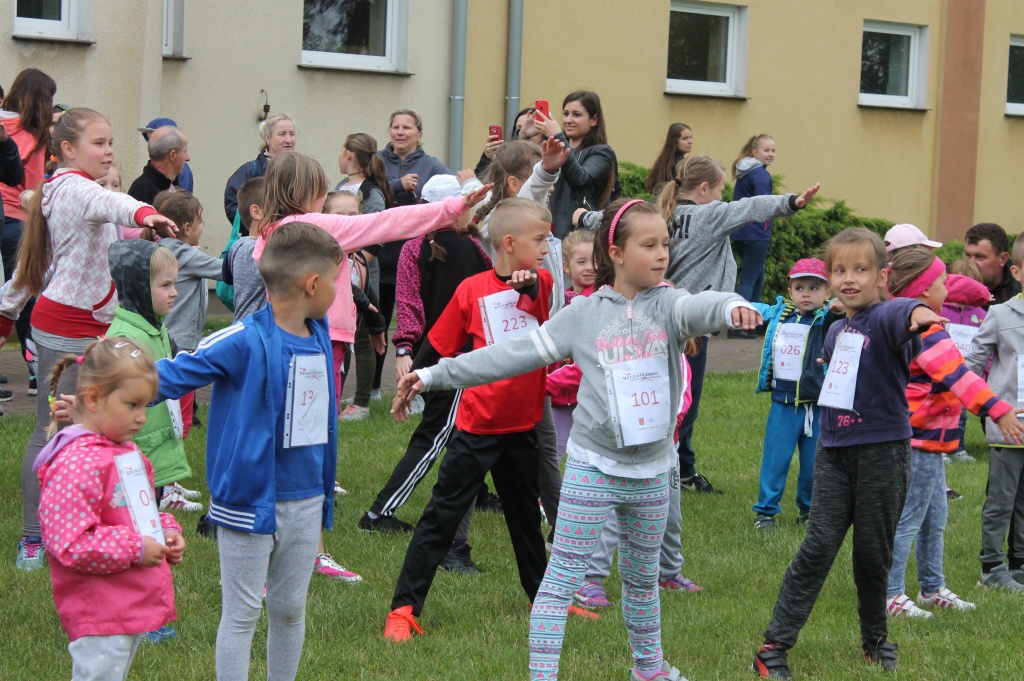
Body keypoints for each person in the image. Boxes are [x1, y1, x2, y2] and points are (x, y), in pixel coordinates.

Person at [391, 198, 758, 680]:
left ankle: (648, 670)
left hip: (652, 473)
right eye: (649, 245)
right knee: (560, 580)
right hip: (593, 470)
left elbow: (700, 306)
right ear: (617, 253)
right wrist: (434, 374)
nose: (662, 254)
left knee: (643, 583)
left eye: (665, 244)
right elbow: (511, 355)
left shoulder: (669, 306)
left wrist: (733, 305)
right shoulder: (584, 315)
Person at [752, 228, 946, 679]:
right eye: (839, 270)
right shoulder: (837, 326)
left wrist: (923, 315)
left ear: (883, 274)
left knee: (871, 553)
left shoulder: (888, 315)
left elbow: (908, 310)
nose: (849, 279)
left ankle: (875, 640)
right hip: (834, 452)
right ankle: (773, 645)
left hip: (882, 454)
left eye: (861, 269)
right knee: (817, 546)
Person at [153, 222, 340, 680]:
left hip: (307, 497)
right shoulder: (241, 338)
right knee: (241, 614)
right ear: (312, 284)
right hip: (247, 500)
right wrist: (103, 384)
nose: (339, 289)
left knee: (291, 608)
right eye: (336, 279)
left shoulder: (319, 334)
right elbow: (174, 373)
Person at [0, 108, 175, 572]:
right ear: (68, 150)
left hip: (91, 325)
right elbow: (113, 205)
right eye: (99, 143)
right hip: (66, 330)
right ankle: (35, 539)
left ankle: (89, 524)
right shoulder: (77, 188)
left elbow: (103, 229)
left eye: (111, 142)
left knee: (88, 431)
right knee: (56, 430)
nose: (110, 150)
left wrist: (142, 222)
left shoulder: (62, 190)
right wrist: (143, 210)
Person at [382, 197, 559, 643]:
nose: (546, 246)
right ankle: (403, 609)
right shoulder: (471, 289)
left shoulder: (542, 281)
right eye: (539, 239)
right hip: (477, 427)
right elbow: (437, 344)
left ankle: (543, 600)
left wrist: (528, 284)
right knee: (440, 517)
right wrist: (411, 379)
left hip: (522, 429)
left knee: (525, 520)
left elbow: (538, 294)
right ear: (509, 242)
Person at [649, 154, 820, 495]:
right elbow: (751, 207)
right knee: (685, 402)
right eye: (720, 190)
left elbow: (614, 218)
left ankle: (677, 468)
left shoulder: (658, 217)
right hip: (693, 326)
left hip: (660, 318)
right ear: (702, 189)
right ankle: (671, 474)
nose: (723, 197)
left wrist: (582, 215)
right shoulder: (708, 215)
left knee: (662, 396)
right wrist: (791, 203)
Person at [358, 175, 491, 577]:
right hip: (458, 359)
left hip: (438, 356)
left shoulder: (423, 248)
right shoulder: (469, 249)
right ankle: (379, 511)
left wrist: (407, 349)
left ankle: (482, 495)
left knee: (456, 436)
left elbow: (410, 307)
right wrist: (406, 350)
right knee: (434, 437)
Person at [36, 337, 186, 680]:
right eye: (132, 405)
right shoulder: (77, 463)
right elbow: (70, 542)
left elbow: (137, 510)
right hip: (100, 609)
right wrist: (136, 548)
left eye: (145, 406)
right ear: (93, 399)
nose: (141, 418)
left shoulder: (123, 452)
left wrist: (164, 528)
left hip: (124, 601)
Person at [884, 248, 1021, 618]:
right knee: (910, 518)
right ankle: (891, 593)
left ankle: (932, 587)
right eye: (943, 282)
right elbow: (958, 376)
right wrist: (1000, 410)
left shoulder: (903, 317)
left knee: (935, 518)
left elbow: (969, 289)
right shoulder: (928, 330)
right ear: (926, 291)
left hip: (930, 439)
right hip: (919, 439)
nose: (950, 287)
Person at [104, 242, 194, 645]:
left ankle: (143, 612)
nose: (174, 292)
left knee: (149, 534)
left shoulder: (153, 328)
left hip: (149, 453)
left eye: (175, 284)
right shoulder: (125, 338)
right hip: (132, 458)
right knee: (137, 536)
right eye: (165, 285)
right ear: (139, 288)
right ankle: (136, 615)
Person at [749, 258, 840, 531]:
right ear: (790, 291)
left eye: (814, 288)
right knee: (776, 460)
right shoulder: (779, 314)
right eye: (799, 287)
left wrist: (839, 309)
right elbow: (750, 310)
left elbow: (843, 317)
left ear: (827, 293)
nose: (806, 294)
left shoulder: (828, 319)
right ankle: (765, 512)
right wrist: (731, 306)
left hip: (817, 406)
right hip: (783, 404)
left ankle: (809, 510)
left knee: (815, 465)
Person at [374, 110, 455, 401]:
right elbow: (360, 196)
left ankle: (419, 388)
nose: (400, 132)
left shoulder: (433, 166)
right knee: (377, 325)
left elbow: (454, 195)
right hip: (380, 259)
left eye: (407, 127)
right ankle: (371, 391)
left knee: (419, 324)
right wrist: (397, 187)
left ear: (419, 134)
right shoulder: (377, 162)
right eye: (395, 127)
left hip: (419, 260)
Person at [963, 232, 1024, 593]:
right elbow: (972, 363)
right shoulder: (1001, 315)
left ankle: (1019, 564)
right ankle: (991, 567)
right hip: (1007, 426)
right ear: (1016, 271)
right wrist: (982, 403)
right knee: (1001, 500)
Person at [1, 68, 56, 397]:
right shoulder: (36, 134)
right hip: (19, 221)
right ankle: (36, 369)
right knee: (21, 296)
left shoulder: (2, 125)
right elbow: (34, 186)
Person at [335, 132, 392, 416]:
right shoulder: (341, 187)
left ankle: (362, 402)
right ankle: (337, 397)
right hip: (338, 268)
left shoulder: (371, 192)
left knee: (363, 337)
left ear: (348, 154)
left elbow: (377, 234)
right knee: (342, 333)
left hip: (361, 273)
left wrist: (355, 261)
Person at [534, 90, 618, 238]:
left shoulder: (602, 153)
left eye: (576, 114)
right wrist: (525, 133)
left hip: (582, 237)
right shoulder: (553, 148)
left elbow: (580, 179)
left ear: (594, 120)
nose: (568, 120)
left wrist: (559, 136)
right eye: (566, 114)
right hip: (550, 233)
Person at [942, 258, 989, 465]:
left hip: (965, 375)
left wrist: (984, 373)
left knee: (959, 414)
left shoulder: (981, 315)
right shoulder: (938, 310)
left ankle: (957, 447)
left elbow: (987, 347)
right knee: (939, 412)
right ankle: (939, 448)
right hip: (940, 374)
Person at [730, 134, 777, 314]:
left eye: (773, 150)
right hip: (756, 233)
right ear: (755, 151)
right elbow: (765, 204)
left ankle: (756, 318)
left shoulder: (746, 172)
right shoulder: (760, 174)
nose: (771, 154)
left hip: (741, 231)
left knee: (758, 275)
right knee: (750, 279)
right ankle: (740, 322)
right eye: (766, 150)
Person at [223, 113, 295, 224]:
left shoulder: (302, 171)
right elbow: (234, 209)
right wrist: (261, 226)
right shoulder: (250, 171)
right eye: (282, 134)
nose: (289, 140)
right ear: (268, 138)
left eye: (292, 134)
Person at [223, 176, 267, 322]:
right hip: (253, 333)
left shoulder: (239, 246)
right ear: (256, 211)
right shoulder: (251, 248)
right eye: (279, 207)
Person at [127, 126, 189, 204]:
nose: (187, 158)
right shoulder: (142, 191)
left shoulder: (177, 188)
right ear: (173, 155)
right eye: (185, 152)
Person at [965, 222, 1020, 305]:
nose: (971, 263)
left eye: (980, 257)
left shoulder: (1019, 289)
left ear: (1003, 259)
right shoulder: (949, 282)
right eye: (968, 255)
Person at [138, 117, 194, 192]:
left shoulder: (181, 170)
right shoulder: (144, 185)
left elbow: (182, 201)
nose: (153, 145)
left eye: (158, 139)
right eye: (149, 139)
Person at [645, 122, 693, 195]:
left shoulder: (664, 161)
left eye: (691, 137)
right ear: (675, 141)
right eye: (685, 138)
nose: (690, 142)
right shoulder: (679, 164)